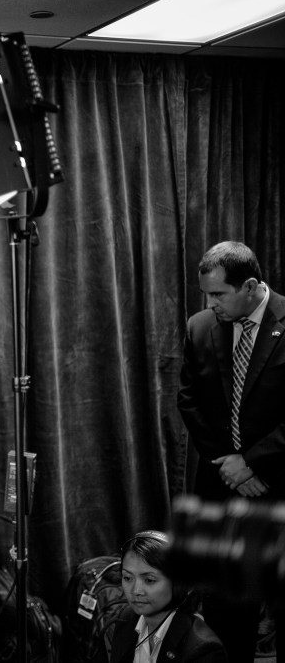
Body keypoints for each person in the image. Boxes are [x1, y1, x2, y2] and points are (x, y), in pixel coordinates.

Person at [178, 240, 285, 661]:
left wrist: (253, 463)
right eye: (206, 294)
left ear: (251, 286)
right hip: (222, 488)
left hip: (277, 485)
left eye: (219, 294)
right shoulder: (200, 327)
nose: (211, 304)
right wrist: (230, 465)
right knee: (224, 611)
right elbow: (189, 400)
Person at [101, 530, 226, 663]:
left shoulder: (203, 650)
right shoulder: (124, 618)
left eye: (149, 580)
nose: (136, 591)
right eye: (127, 578)